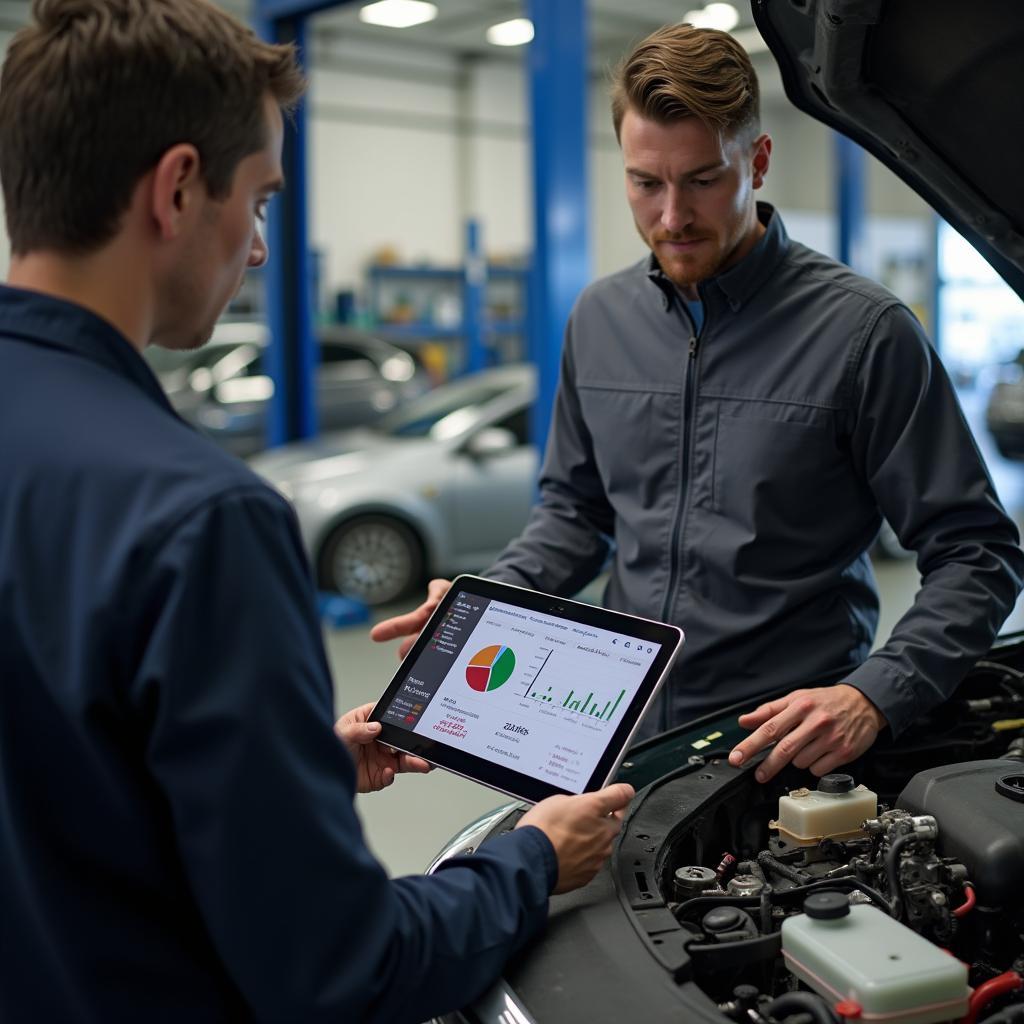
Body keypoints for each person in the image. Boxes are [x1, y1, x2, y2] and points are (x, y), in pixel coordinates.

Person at [0, 2, 634, 1021]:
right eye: (257, 201)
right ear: (175, 189)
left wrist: (286, 783)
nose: (258, 249)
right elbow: (339, 971)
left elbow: (65, 796)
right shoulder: (199, 519)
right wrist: (527, 861)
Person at [374, 23, 1024, 785]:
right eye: (646, 183)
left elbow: (976, 552)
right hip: (618, 735)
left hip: (788, 743)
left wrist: (873, 695)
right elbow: (575, 513)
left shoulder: (863, 334)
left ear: (758, 159)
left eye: (704, 179)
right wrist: (488, 600)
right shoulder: (599, 319)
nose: (673, 216)